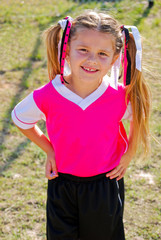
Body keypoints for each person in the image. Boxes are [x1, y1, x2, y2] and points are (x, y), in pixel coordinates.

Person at [11, 11, 151, 240]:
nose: (92, 60)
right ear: (67, 50)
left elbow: (139, 117)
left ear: (115, 58)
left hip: (104, 185)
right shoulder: (49, 94)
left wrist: (129, 152)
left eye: (102, 53)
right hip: (62, 184)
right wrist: (49, 150)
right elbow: (20, 119)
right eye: (83, 50)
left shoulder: (120, 96)